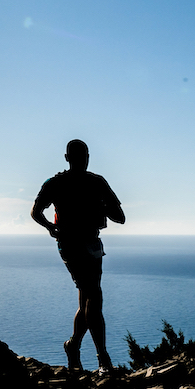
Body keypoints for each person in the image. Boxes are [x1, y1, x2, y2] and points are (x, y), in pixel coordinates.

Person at [31, 139, 125, 373]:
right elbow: (36, 212)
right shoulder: (66, 182)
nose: (83, 160)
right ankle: (103, 358)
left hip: (89, 244)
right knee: (94, 295)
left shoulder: (91, 182)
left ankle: (73, 346)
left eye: (84, 156)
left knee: (87, 300)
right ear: (69, 158)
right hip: (72, 244)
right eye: (80, 156)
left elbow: (120, 217)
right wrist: (50, 227)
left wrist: (101, 206)